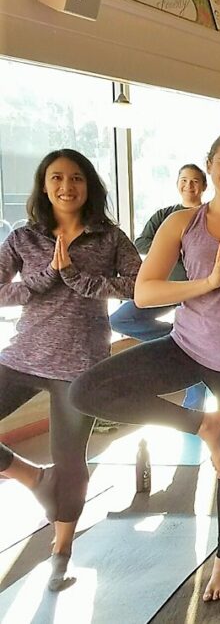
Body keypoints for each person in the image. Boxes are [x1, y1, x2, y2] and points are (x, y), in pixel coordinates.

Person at [71, 133, 220, 601]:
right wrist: (205, 283)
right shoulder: (183, 223)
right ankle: (203, 424)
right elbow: (146, 293)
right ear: (210, 165)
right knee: (89, 390)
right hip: (187, 345)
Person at [0, 149, 141, 591]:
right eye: (57, 177)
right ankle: (30, 477)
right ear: (44, 185)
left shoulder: (109, 237)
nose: (66, 186)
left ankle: (61, 550)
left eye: (76, 177)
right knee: (53, 470)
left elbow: (141, 284)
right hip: (23, 355)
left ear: (89, 185)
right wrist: (43, 278)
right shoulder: (24, 238)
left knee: (70, 461)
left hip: (80, 365)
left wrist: (82, 278)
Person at [109, 163, 208, 409]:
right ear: (177, 184)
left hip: (200, 289)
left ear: (204, 186)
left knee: (197, 354)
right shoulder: (166, 215)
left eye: (195, 181)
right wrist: (170, 246)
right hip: (165, 287)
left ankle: (193, 406)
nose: (189, 186)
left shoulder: (210, 215)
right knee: (121, 319)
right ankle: (181, 337)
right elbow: (141, 242)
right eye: (184, 180)